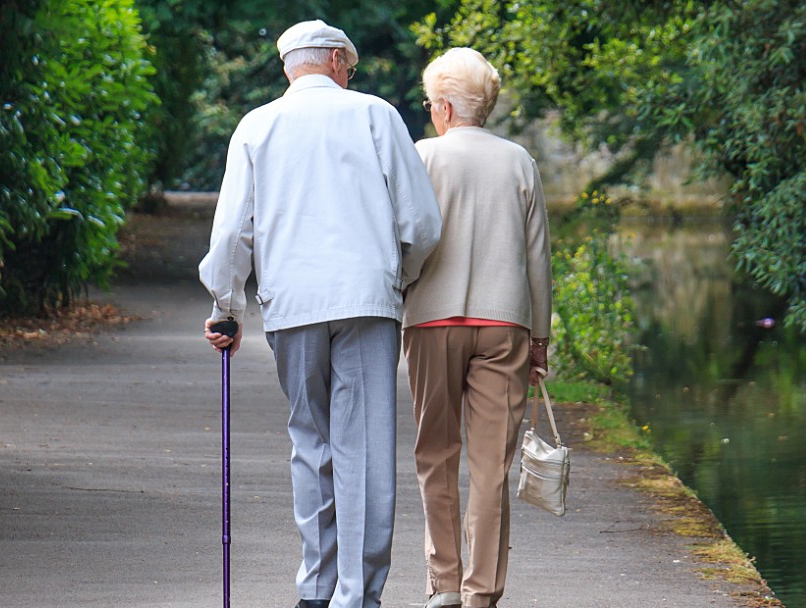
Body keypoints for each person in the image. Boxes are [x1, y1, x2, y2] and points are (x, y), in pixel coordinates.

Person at [198, 19, 442, 608]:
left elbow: (234, 231)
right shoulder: (376, 115)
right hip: (366, 300)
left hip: (292, 305)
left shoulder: (256, 126)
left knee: (310, 439)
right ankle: (357, 594)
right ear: (336, 60)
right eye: (349, 67)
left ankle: (315, 585)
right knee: (364, 446)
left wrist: (225, 307)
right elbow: (422, 225)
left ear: (289, 68)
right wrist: (399, 279)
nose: (350, 75)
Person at [403, 47, 552, 608]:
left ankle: (443, 583)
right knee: (491, 467)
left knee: (435, 455)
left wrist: (404, 291)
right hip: (504, 324)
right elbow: (538, 260)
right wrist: (539, 338)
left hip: (431, 322)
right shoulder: (519, 162)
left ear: (443, 106)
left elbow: (406, 242)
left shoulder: (422, 157)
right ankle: (482, 593)